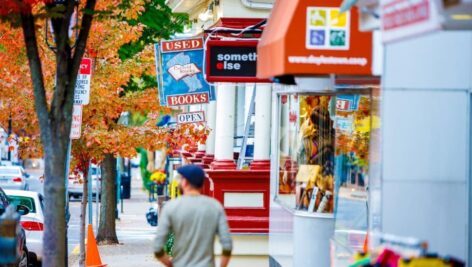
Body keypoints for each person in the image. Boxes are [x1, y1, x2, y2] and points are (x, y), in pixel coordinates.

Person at [154, 164, 233, 267]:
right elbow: (227, 246)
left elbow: (157, 248)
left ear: (185, 182)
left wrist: (170, 264)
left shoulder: (171, 207)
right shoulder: (214, 206)